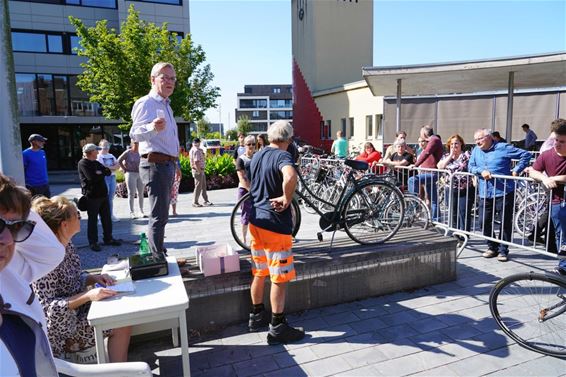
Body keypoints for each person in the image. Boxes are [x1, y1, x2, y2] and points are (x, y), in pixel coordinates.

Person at [31, 196, 131, 362]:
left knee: (121, 308)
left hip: (79, 312)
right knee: (121, 323)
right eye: (77, 214)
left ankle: (119, 366)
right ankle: (120, 369)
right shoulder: (45, 260)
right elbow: (49, 309)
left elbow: (74, 277)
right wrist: (88, 296)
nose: (80, 217)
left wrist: (94, 277)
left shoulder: (66, 245)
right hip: (64, 332)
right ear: (64, 225)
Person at [0, 173, 65, 376]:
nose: (8, 239)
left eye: (16, 227)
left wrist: (14, 201)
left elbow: (53, 253)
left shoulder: (8, 274)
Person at [247, 120, 305, 344]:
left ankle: (256, 316)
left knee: (260, 271)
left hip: (256, 222)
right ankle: (278, 326)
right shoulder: (283, 156)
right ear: (288, 140)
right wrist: (286, 198)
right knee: (279, 277)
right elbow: (290, 176)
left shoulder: (258, 154)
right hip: (275, 225)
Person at [130, 62, 180, 256]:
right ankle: (157, 258)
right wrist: (152, 127)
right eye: (164, 77)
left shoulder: (166, 105)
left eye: (172, 78)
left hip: (166, 163)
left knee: (162, 214)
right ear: (153, 80)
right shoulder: (146, 103)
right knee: (159, 215)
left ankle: (159, 253)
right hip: (155, 164)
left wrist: (175, 163)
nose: (170, 82)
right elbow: (134, 134)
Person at [468, 128, 531, 262]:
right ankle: (492, 246)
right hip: (485, 192)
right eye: (475, 139)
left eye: (480, 138)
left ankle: (503, 250)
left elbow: (526, 154)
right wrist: (480, 171)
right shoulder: (475, 150)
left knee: (505, 222)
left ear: (490, 137)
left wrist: (517, 169)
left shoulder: (503, 147)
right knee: (483, 222)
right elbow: (470, 166)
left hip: (504, 191)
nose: (477, 142)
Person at [528, 118, 566, 275]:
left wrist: (555, 178)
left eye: (562, 141)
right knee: (561, 235)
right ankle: (563, 267)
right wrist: (544, 178)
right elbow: (532, 170)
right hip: (557, 202)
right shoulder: (546, 155)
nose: (557, 144)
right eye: (556, 140)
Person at [78, 143, 121, 251]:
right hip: (92, 196)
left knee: (107, 218)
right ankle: (93, 242)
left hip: (103, 195)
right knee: (93, 220)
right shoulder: (83, 163)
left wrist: (100, 172)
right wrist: (101, 172)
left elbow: (107, 172)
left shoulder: (96, 162)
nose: (98, 152)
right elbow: (91, 177)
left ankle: (108, 238)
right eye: (96, 150)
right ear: (91, 152)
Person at [437, 134, 473, 230]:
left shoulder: (467, 155)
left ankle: (464, 233)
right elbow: (440, 166)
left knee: (464, 212)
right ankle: (455, 232)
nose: (454, 146)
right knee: (453, 212)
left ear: (461, 143)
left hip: (465, 189)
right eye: (451, 144)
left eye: (456, 143)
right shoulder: (446, 156)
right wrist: (450, 156)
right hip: (451, 189)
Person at [408, 125, 443, 220]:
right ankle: (436, 219)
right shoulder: (432, 140)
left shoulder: (434, 140)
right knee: (433, 198)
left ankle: (414, 206)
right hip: (428, 172)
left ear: (424, 133)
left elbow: (426, 153)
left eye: (420, 133)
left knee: (412, 180)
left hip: (432, 173)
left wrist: (415, 165)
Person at [117, 141, 146, 219]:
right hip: (130, 173)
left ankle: (141, 211)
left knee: (141, 193)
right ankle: (131, 212)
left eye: (138, 143)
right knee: (131, 193)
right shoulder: (128, 152)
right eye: (135, 143)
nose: (137, 145)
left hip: (140, 174)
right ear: (132, 144)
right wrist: (124, 169)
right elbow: (119, 160)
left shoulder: (141, 152)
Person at [236, 135, 256, 243]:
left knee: (256, 214)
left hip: (256, 190)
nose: (251, 146)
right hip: (245, 190)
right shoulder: (241, 159)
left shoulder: (257, 157)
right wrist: (250, 190)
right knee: (246, 214)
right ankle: (243, 239)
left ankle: (255, 238)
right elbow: (242, 178)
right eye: (249, 144)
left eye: (253, 144)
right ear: (244, 145)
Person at [97, 139, 120, 222]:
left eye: (108, 146)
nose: (106, 148)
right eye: (104, 146)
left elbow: (117, 166)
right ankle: (100, 217)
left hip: (112, 177)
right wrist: (112, 167)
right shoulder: (99, 156)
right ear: (100, 147)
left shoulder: (111, 155)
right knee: (103, 198)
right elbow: (102, 167)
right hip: (104, 178)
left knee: (110, 198)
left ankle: (110, 215)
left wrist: (108, 167)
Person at [22, 133, 51, 198]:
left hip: (45, 184)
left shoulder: (42, 152)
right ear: (33, 141)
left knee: (48, 205)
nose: (43, 142)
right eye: (41, 141)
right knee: (35, 205)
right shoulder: (25, 154)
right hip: (33, 185)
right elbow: (22, 169)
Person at [190, 138, 213, 207]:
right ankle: (195, 202)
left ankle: (206, 200)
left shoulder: (194, 150)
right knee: (198, 187)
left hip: (199, 170)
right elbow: (196, 162)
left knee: (203, 186)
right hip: (198, 170)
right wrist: (200, 171)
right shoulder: (196, 150)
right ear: (198, 143)